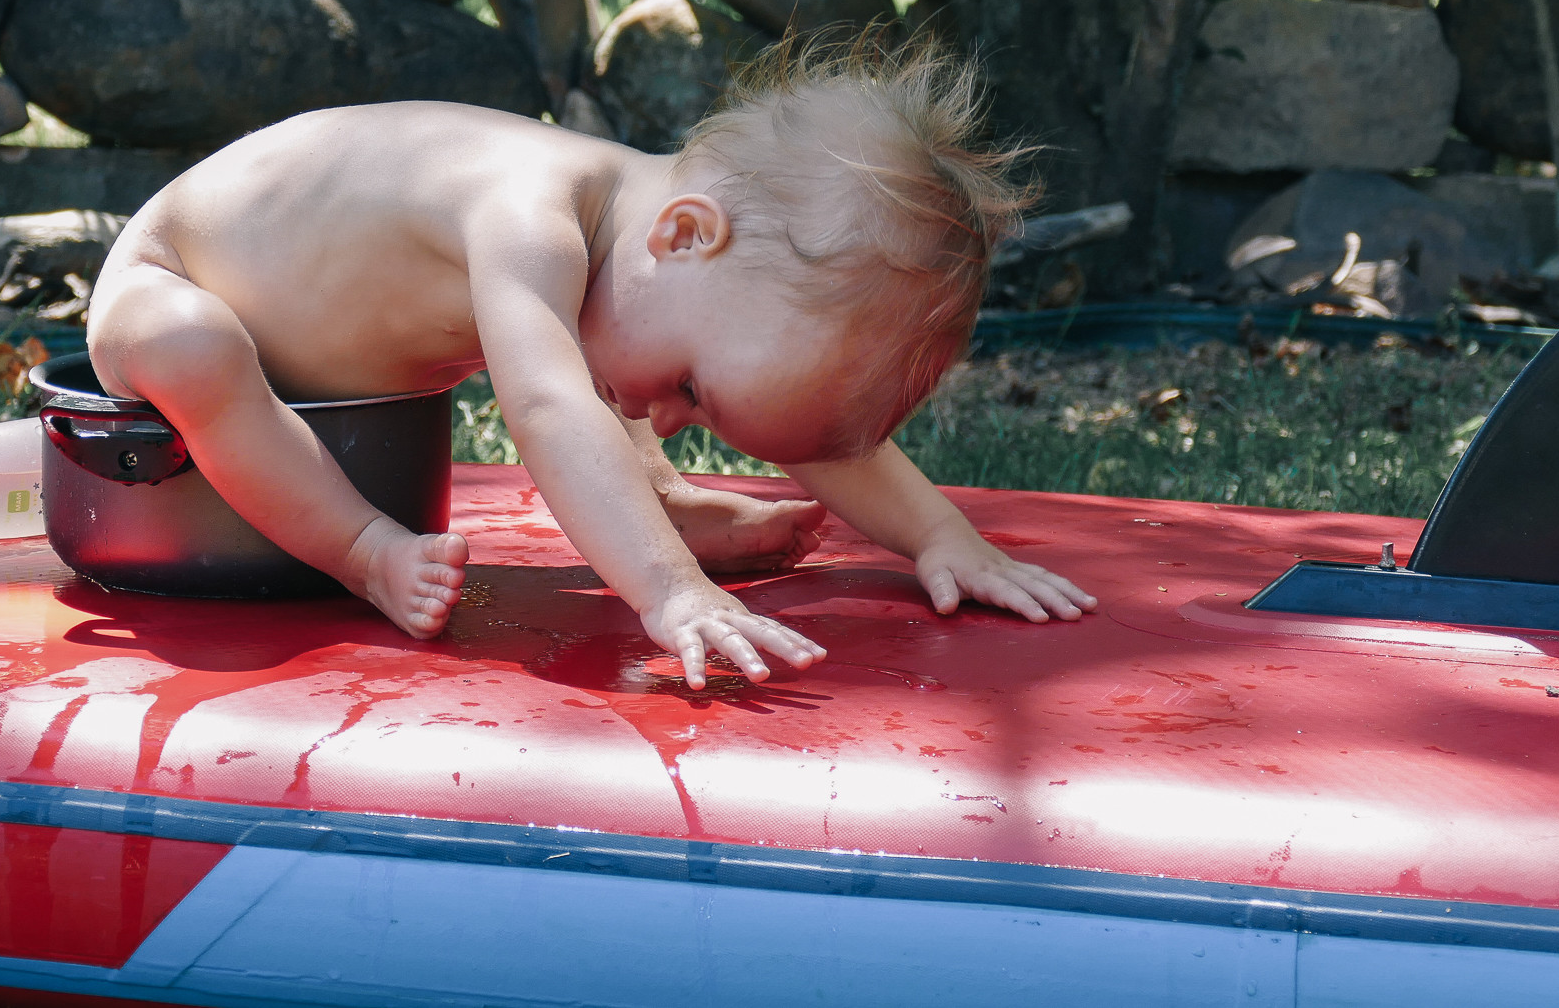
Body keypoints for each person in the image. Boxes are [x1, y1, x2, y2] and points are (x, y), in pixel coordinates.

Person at [87, 35, 1096, 689]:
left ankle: (661, 503)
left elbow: (799, 411)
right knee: (197, 348)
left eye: (701, 419)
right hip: (170, 280)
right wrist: (670, 591)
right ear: (685, 233)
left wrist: (941, 537)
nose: (669, 416)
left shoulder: (662, 267)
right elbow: (545, 407)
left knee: (614, 350)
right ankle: (363, 551)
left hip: (320, 364)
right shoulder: (526, 214)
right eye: (692, 391)